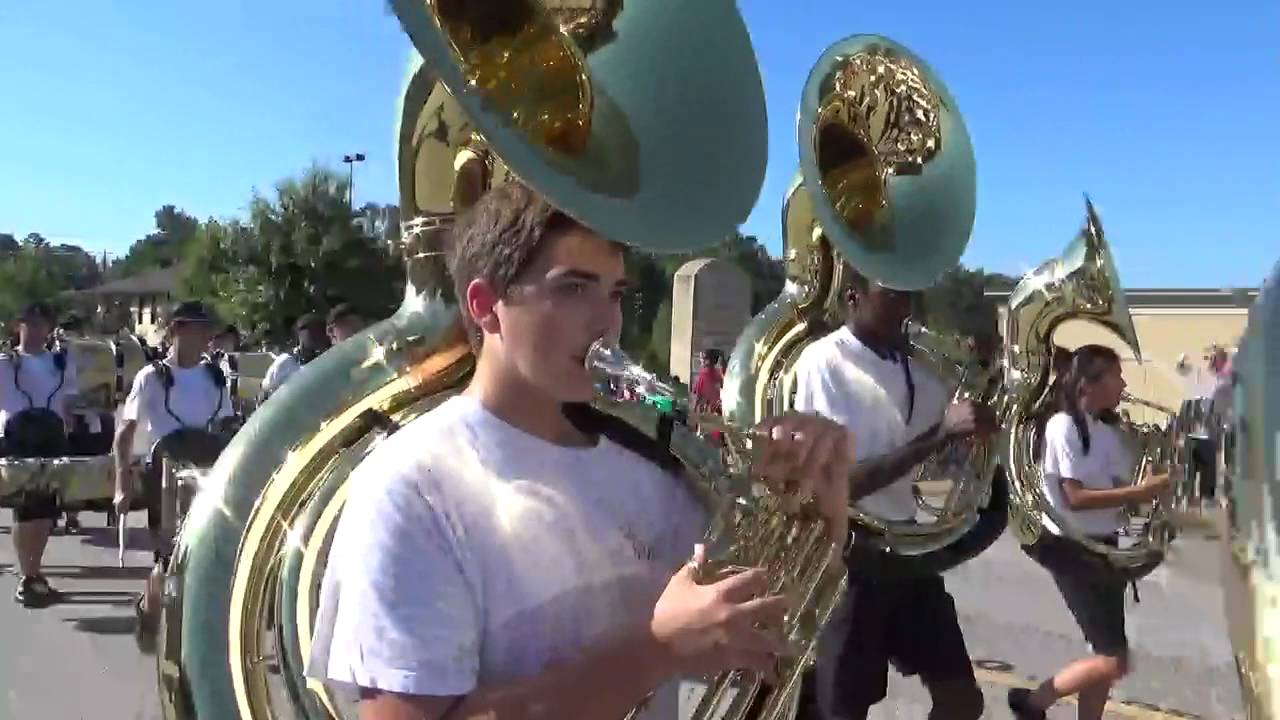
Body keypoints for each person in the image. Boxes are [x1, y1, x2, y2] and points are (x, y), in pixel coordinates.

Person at [306, 182, 856, 720]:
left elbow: (764, 640)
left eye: (614, 293)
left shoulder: (647, 476)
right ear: (485, 306)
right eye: (572, 288)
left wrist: (815, 509)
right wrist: (656, 651)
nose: (608, 324)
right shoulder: (412, 483)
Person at [790, 272, 995, 720]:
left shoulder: (924, 368)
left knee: (962, 700)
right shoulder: (825, 361)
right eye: (892, 293)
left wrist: (978, 430)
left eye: (909, 291)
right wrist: (940, 435)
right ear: (852, 297)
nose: (906, 304)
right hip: (850, 562)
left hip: (909, 556)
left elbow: (944, 462)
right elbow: (841, 483)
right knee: (840, 711)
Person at [1007, 344, 1170, 720]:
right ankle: (1033, 705)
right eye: (1116, 375)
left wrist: (1154, 492)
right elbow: (1075, 498)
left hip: (1102, 546)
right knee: (1114, 661)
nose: (1124, 383)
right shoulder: (1063, 425)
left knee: (1104, 654)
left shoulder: (1107, 432)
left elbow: (1121, 497)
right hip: (1069, 548)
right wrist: (1138, 491)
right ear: (1088, 384)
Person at [113, 301, 234, 635]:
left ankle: (194, 629)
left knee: (205, 554)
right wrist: (122, 483)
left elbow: (225, 425)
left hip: (206, 473)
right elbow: (126, 432)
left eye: (208, 330)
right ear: (176, 330)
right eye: (197, 329)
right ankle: (150, 608)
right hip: (163, 474)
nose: (205, 336)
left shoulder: (214, 375)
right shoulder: (152, 376)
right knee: (169, 557)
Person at [0, 302, 79, 606]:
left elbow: (69, 401)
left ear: (49, 328)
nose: (35, 329)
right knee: (24, 509)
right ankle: (26, 575)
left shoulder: (60, 362)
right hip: (18, 437)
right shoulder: (6, 362)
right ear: (18, 326)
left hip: (51, 435)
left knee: (46, 512)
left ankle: (36, 570)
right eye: (29, 323)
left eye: (41, 323)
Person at [261, 313, 331, 400]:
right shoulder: (284, 363)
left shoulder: (329, 360)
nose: (318, 335)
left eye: (320, 330)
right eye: (313, 330)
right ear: (300, 333)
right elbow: (267, 390)